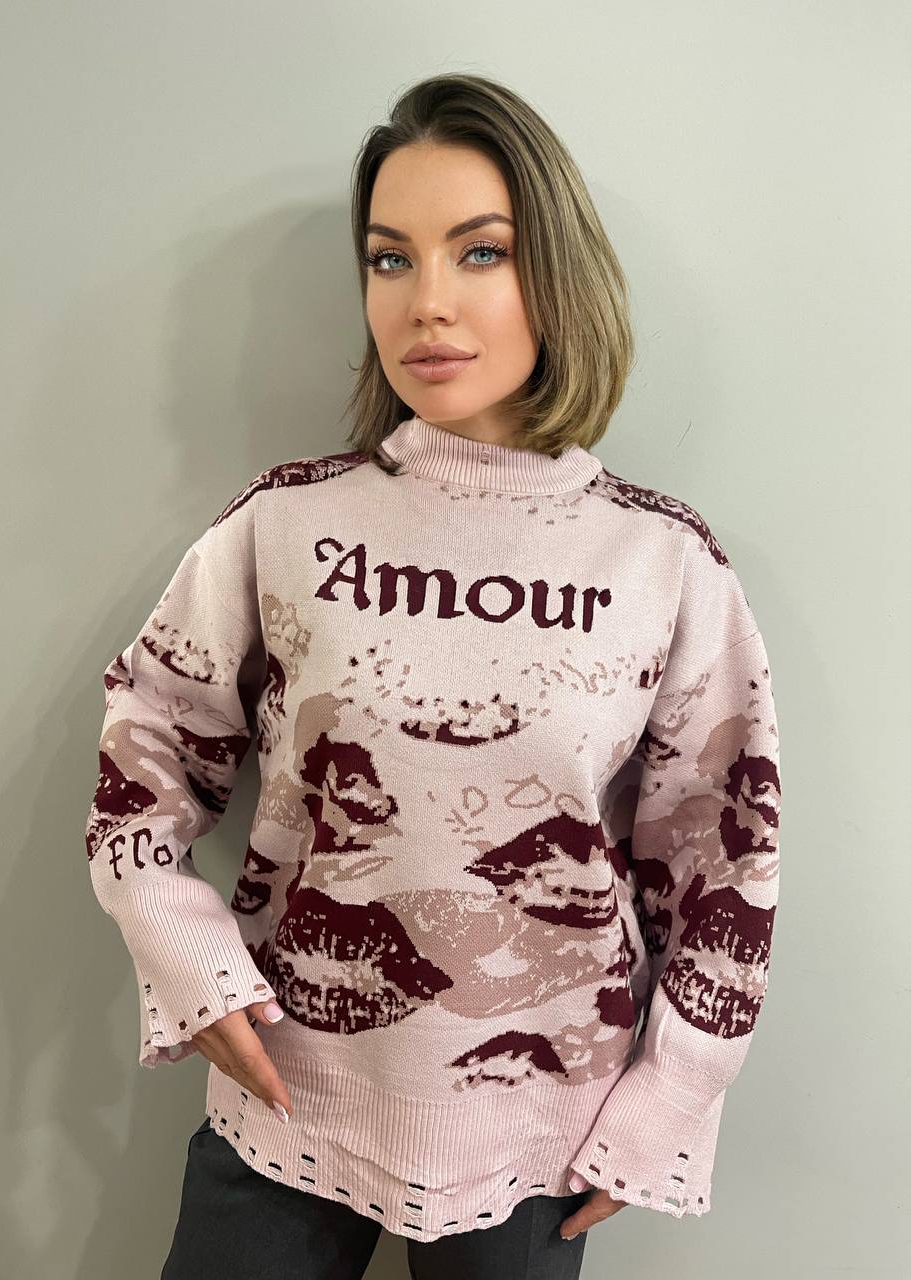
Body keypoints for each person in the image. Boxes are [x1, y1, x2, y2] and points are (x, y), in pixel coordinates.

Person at [84, 72, 782, 1279]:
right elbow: (145, 746)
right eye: (391, 258)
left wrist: (674, 1091)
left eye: (481, 251)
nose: (428, 302)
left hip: (544, 1134)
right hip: (287, 1091)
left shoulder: (663, 563)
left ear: (557, 271)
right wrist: (189, 959)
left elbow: (725, 853)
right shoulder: (284, 527)